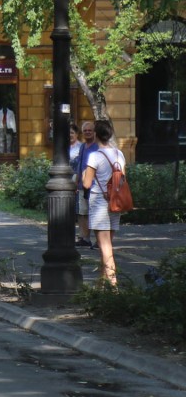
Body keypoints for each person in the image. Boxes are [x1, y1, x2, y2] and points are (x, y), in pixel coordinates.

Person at [81, 120, 125, 286]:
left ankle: (113, 285)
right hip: (115, 201)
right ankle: (101, 285)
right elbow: (123, 179)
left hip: (99, 202)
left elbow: (86, 183)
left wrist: (84, 173)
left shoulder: (95, 156)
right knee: (106, 245)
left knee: (105, 247)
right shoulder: (119, 154)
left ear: (96, 135)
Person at [74, 121, 98, 248]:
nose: (87, 132)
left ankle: (99, 240)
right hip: (82, 185)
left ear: (94, 132)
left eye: (90, 130)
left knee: (95, 213)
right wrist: (77, 181)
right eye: (85, 131)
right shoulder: (83, 146)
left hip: (95, 186)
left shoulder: (98, 146)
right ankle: (84, 238)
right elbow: (79, 165)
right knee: (82, 213)